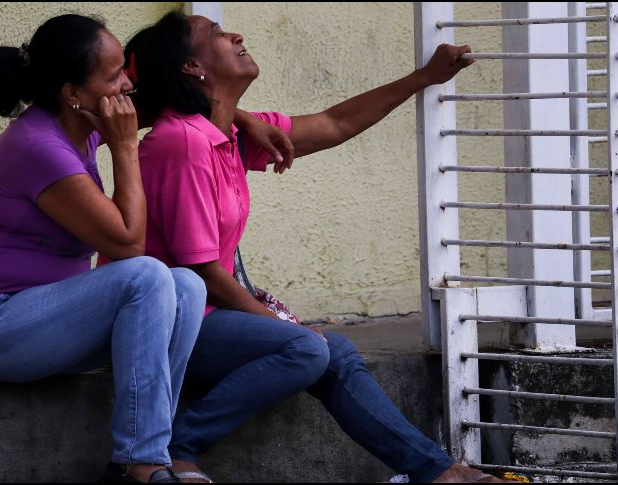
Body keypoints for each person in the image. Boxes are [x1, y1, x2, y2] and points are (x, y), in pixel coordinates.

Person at [121, 11, 505, 484]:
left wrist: (424, 78)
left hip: (212, 316)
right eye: (215, 34)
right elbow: (199, 270)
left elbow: (335, 122)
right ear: (191, 67)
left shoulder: (229, 134)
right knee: (307, 350)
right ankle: (178, 445)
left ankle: (439, 471)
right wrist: (280, 326)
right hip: (174, 325)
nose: (235, 35)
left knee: (335, 351)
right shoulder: (180, 143)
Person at [0, 14, 207, 484]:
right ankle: (139, 462)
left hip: (42, 326)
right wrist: (125, 149)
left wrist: (241, 117)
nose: (127, 85)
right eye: (114, 76)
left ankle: (153, 448)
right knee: (145, 273)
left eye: (125, 68)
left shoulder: (79, 125)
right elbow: (128, 244)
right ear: (73, 94)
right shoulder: (39, 146)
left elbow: (165, 97)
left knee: (186, 285)